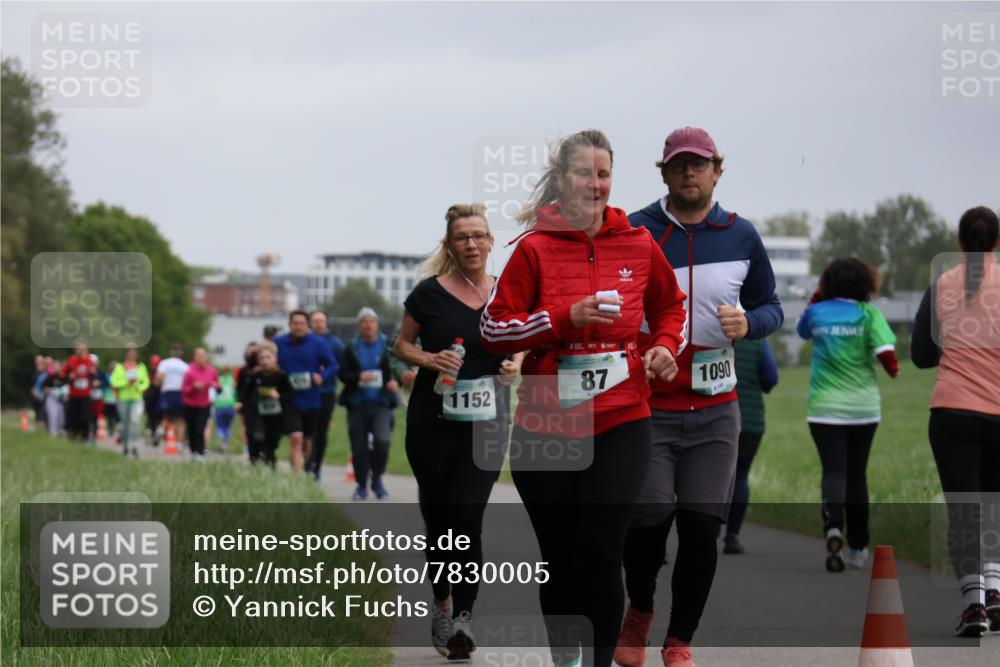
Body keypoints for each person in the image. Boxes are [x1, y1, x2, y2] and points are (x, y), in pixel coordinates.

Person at [480, 129, 687, 667]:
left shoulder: (639, 244)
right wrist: (560, 320)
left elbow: (671, 310)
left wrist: (664, 347)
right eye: (583, 174)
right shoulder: (533, 248)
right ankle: (566, 658)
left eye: (603, 174)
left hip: (622, 418)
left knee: (600, 551)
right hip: (546, 425)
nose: (595, 184)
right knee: (561, 560)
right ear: (562, 179)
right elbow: (494, 331)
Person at [618, 127, 783, 667]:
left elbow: (772, 309)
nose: (690, 173)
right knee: (647, 523)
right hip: (650, 408)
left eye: (700, 164)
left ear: (718, 170)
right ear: (663, 172)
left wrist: (749, 322)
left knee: (700, 529)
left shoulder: (742, 236)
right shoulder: (637, 231)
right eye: (679, 165)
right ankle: (639, 609)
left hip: (716, 411)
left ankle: (679, 639)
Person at [394, 203, 523, 660]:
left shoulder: (506, 292)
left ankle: (464, 619)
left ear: (490, 243)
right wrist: (430, 359)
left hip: (487, 423)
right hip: (433, 423)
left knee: (468, 517)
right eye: (462, 237)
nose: (471, 243)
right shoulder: (428, 294)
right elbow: (402, 345)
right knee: (440, 520)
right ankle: (442, 605)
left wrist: (515, 363)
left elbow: (523, 339)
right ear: (450, 244)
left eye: (478, 236)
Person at [911, 206, 1000, 636]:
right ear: (997, 242)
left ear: (960, 242)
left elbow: (921, 356)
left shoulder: (941, 285)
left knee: (965, 511)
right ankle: (997, 591)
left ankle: (974, 607)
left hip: (953, 412)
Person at [797, 258, 898, 572]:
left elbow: (801, 330)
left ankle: (833, 529)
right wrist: (893, 367)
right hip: (863, 409)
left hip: (824, 409)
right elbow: (885, 353)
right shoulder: (868, 314)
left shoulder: (816, 313)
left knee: (833, 473)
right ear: (867, 284)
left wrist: (816, 298)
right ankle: (857, 547)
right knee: (857, 475)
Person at [722, 338, 779, 554]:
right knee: (741, 477)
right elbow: (771, 378)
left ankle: (708, 526)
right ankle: (732, 535)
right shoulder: (758, 340)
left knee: (711, 473)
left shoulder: (714, 332)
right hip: (750, 421)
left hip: (717, 417)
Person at [339, 307, 401, 501]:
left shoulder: (389, 346)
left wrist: (395, 382)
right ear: (359, 325)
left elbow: (399, 369)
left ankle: (377, 479)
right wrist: (359, 377)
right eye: (364, 321)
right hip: (358, 403)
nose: (368, 325)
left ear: (377, 324)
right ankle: (360, 486)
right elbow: (342, 374)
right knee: (359, 447)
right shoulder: (351, 347)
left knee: (382, 441)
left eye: (371, 321)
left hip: (382, 402)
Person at [274, 310, 337, 473]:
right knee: (295, 437)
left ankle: (305, 469)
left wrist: (322, 377)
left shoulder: (318, 343)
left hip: (311, 399)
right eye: (295, 323)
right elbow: (264, 356)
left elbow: (332, 365)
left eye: (302, 324)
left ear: (307, 325)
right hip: (289, 398)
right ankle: (297, 477)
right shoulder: (279, 343)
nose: (299, 327)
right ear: (290, 325)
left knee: (307, 441)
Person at [306, 310, 345, 480]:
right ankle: (306, 465)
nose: (318, 324)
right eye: (315, 321)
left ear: (326, 323)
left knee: (320, 433)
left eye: (321, 321)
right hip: (307, 392)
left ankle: (317, 468)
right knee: (307, 432)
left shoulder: (336, 344)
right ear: (310, 323)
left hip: (326, 393)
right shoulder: (305, 342)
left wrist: (328, 372)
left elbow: (342, 367)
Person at [111, 345, 151, 457]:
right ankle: (125, 445)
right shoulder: (120, 367)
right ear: (126, 354)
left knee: (135, 422)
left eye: (134, 352)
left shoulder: (141, 367)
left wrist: (139, 387)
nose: (132, 354)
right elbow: (114, 381)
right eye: (130, 352)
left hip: (136, 399)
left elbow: (146, 382)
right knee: (125, 424)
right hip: (124, 399)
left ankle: (134, 446)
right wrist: (125, 383)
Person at [181, 347, 220, 460]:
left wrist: (216, 385)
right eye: (199, 356)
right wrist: (194, 387)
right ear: (194, 357)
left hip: (204, 404)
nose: (201, 358)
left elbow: (218, 384)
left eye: (203, 355)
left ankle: (200, 453)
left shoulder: (211, 370)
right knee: (192, 429)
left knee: (200, 428)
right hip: (190, 404)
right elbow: (184, 389)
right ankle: (193, 451)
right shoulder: (189, 371)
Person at [59, 341, 98, 442]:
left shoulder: (89, 361)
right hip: (73, 394)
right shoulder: (71, 360)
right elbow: (62, 375)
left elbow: (95, 375)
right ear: (75, 350)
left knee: (85, 417)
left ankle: (84, 437)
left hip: (85, 395)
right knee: (73, 416)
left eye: (83, 349)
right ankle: (73, 435)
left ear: (86, 350)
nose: (80, 351)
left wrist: (93, 374)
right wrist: (69, 377)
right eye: (79, 349)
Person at [156, 344, 189, 445]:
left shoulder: (164, 363)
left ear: (171, 352)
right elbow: (187, 381)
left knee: (166, 417)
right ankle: (179, 443)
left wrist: (163, 384)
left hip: (167, 392)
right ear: (181, 353)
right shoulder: (185, 366)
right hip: (180, 393)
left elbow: (159, 377)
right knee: (180, 420)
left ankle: (160, 430)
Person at [235, 342, 260, 456]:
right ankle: (246, 447)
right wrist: (239, 401)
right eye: (250, 353)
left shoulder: (263, 370)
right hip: (247, 403)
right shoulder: (243, 370)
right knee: (246, 426)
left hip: (261, 403)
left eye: (255, 353)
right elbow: (239, 387)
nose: (252, 356)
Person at [213, 366, 238, 451]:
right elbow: (235, 393)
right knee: (228, 426)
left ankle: (222, 442)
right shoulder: (233, 381)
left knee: (220, 426)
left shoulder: (218, 380)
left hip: (219, 405)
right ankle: (225, 443)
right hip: (230, 405)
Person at [42, 361, 66, 437]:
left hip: (61, 399)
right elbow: (44, 389)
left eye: (58, 366)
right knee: (53, 415)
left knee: (61, 416)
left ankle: (61, 431)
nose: (56, 368)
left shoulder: (64, 377)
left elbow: (68, 387)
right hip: (51, 398)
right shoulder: (49, 378)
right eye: (55, 366)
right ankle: (52, 433)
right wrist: (49, 390)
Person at [144, 353, 162, 443]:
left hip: (149, 399)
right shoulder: (160, 373)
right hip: (157, 399)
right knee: (157, 418)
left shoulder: (148, 372)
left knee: (150, 418)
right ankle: (154, 433)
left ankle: (150, 432)